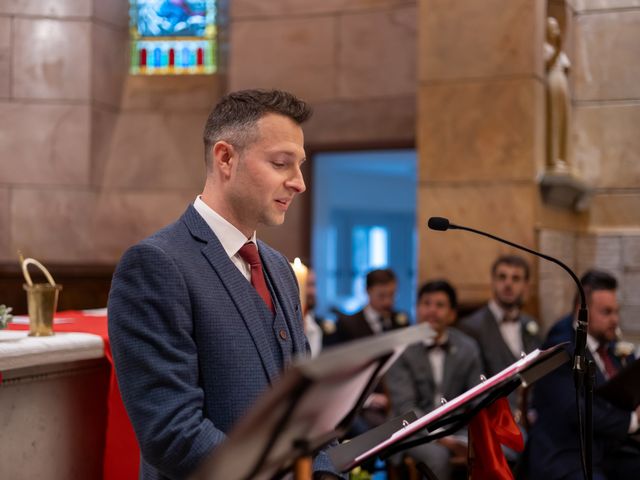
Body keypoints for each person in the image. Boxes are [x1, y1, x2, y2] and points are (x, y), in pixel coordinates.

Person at [108, 89, 342, 480]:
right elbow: (171, 433)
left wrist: (323, 472)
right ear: (226, 158)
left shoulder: (278, 269)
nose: (299, 183)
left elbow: (303, 403)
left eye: (299, 166)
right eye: (281, 163)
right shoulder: (156, 265)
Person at [526, 270, 640, 480]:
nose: (615, 320)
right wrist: (632, 420)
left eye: (616, 311)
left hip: (607, 449)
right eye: (606, 312)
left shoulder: (611, 346)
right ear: (581, 312)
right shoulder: (559, 349)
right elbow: (575, 410)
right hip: (566, 453)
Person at [386, 280, 482, 480]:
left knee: (497, 450)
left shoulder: (467, 348)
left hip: (458, 429)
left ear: (452, 314)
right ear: (417, 309)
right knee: (438, 457)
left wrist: (468, 435)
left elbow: (477, 397)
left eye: (440, 305)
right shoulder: (401, 348)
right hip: (411, 432)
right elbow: (405, 407)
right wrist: (442, 438)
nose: (432, 311)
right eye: (426, 303)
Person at [458, 255, 542, 379]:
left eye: (516, 278)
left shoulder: (531, 324)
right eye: (502, 277)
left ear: (525, 286)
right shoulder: (471, 327)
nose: (508, 283)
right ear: (493, 281)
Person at [335, 268, 409, 342]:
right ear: (368, 291)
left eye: (392, 295)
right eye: (381, 296)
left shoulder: (401, 321)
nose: (387, 302)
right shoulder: (349, 325)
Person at [544, 16, 572, 174]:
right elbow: (548, 62)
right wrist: (558, 48)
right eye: (552, 27)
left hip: (562, 82)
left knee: (564, 118)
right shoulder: (546, 48)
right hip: (552, 81)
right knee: (554, 117)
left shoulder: (561, 53)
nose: (556, 30)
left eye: (556, 27)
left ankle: (563, 157)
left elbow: (568, 67)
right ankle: (554, 158)